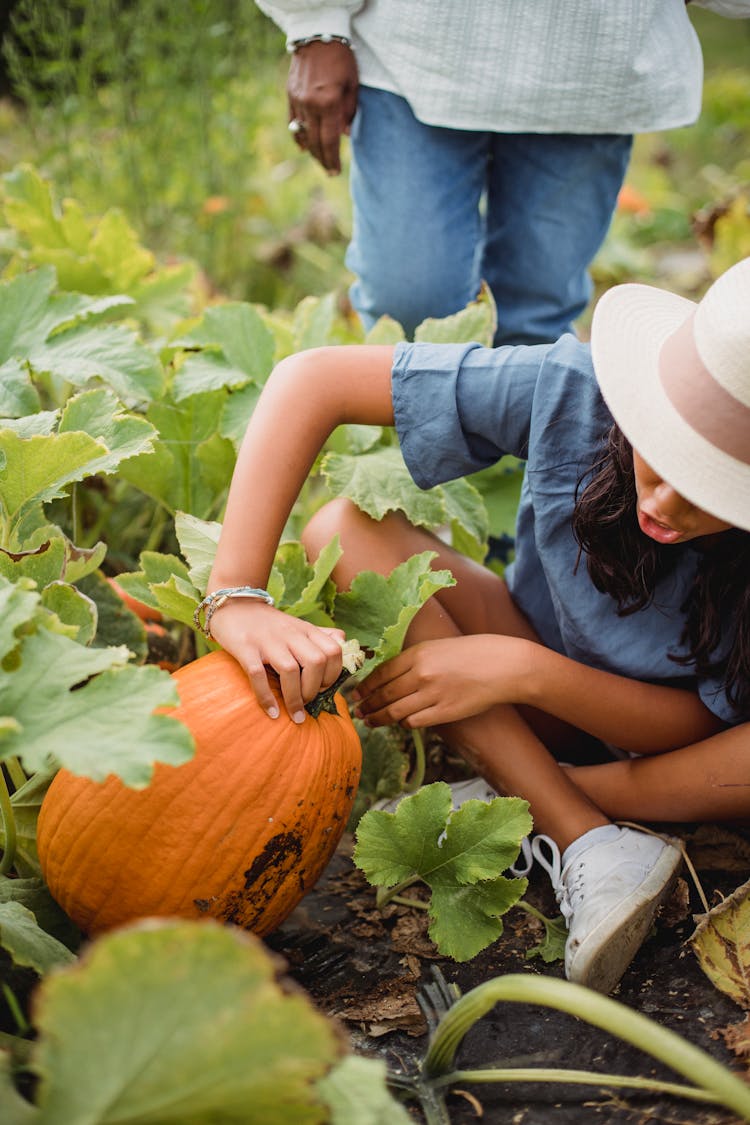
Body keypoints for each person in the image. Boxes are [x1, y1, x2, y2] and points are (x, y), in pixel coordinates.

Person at [201, 256, 750, 993]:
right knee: (347, 529)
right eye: (665, 453)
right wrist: (236, 595)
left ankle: (560, 803)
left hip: (684, 758)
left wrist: (523, 670)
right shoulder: (575, 391)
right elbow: (313, 380)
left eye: (715, 487)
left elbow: (692, 723)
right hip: (543, 686)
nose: (669, 504)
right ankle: (582, 833)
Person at [255, 0, 750, 345]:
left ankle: (520, 479)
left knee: (536, 314)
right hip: (411, 54)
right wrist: (315, 22)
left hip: (592, 67)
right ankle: (416, 480)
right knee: (409, 304)